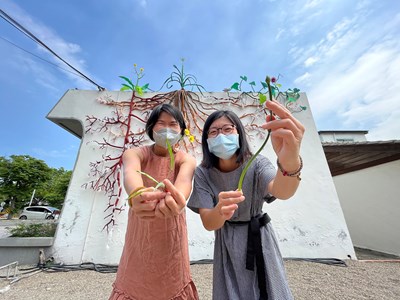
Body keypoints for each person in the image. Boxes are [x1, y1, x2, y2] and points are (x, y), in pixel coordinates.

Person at [187, 100, 305, 300]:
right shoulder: (202, 173)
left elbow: (281, 190)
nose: (221, 135)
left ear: (239, 133)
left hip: (259, 237)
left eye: (227, 129)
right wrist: (220, 211)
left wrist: (290, 162)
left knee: (269, 290)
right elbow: (209, 222)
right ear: (206, 140)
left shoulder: (257, 163)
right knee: (232, 291)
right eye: (213, 132)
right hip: (226, 241)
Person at [109, 103, 199, 300]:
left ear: (181, 130)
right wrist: (138, 194)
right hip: (140, 231)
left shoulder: (186, 159)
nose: (167, 129)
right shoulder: (135, 153)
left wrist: (178, 200)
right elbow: (131, 174)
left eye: (173, 124)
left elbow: (184, 183)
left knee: (173, 278)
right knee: (135, 277)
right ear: (151, 128)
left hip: (172, 232)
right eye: (160, 123)